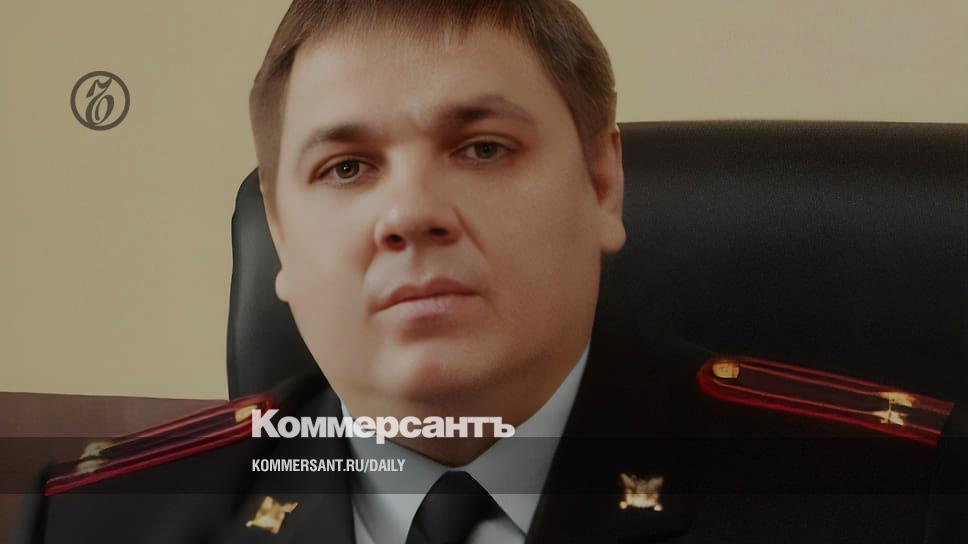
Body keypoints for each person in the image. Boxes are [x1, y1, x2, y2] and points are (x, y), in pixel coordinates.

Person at [12, 1, 967, 542]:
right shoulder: (95, 526)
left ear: (601, 182)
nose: (409, 213)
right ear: (282, 237)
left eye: (481, 148)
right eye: (345, 168)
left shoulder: (896, 501)